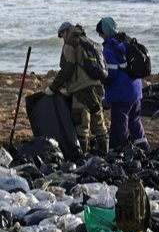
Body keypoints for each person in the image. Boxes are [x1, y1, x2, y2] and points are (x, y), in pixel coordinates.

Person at [46, 21, 108, 156]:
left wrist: (53, 87)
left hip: (81, 91)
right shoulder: (88, 41)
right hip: (97, 88)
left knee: (82, 125)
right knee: (98, 122)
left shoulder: (70, 43)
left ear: (65, 32)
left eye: (61, 35)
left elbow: (68, 68)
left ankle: (82, 157)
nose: (62, 38)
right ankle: (105, 153)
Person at [96, 17, 149, 152]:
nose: (100, 36)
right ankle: (144, 147)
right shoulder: (126, 41)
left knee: (119, 125)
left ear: (105, 32)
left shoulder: (109, 48)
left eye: (100, 33)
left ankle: (115, 151)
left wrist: (101, 80)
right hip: (136, 90)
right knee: (135, 121)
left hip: (122, 94)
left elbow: (111, 73)